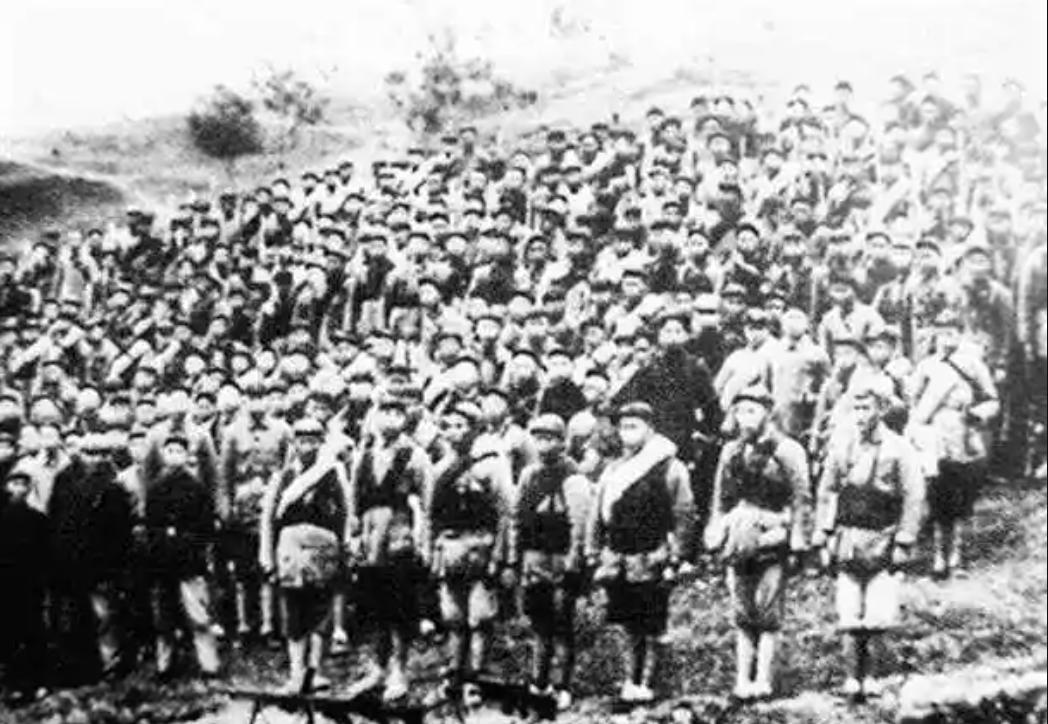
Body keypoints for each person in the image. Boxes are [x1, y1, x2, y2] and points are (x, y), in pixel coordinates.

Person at [812, 381, 924, 699]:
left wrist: (904, 539)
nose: (860, 415)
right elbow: (828, 490)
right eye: (856, 408)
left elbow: (913, 495)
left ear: (882, 410)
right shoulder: (843, 446)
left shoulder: (899, 449)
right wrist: (824, 533)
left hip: (883, 536)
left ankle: (873, 675)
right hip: (848, 537)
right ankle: (851, 676)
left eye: (867, 408)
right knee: (849, 611)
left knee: (877, 612)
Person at [704, 385, 811, 701]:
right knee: (742, 610)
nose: (744, 418)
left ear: (768, 412)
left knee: (768, 611)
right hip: (739, 534)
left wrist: (798, 539)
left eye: (751, 411)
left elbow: (801, 497)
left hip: (773, 533)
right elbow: (720, 497)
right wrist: (716, 530)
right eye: (739, 411)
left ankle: (763, 679)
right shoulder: (731, 451)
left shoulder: (787, 450)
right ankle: (742, 679)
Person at [586, 402, 694, 703]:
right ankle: (631, 679)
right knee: (628, 622)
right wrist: (593, 549)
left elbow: (684, 513)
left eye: (634, 426)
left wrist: (678, 554)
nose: (627, 433)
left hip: (652, 554)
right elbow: (598, 511)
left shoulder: (669, 467)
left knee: (653, 621)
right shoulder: (613, 469)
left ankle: (653, 681)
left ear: (650, 429)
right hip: (619, 554)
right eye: (623, 427)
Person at [426, 400, 513, 704]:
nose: (453, 432)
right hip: (450, 548)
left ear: (474, 429)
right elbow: (432, 516)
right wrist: (432, 551)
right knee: (452, 616)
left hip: (481, 546)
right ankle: (454, 672)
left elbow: (506, 514)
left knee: (480, 617)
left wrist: (502, 556)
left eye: (460, 425)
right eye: (447, 426)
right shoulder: (440, 468)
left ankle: (475, 677)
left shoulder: (491, 464)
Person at [348, 392, 432, 701]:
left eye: (397, 413)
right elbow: (354, 501)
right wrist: (354, 537)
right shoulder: (365, 456)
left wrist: (423, 541)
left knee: (400, 608)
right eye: (384, 412)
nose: (390, 419)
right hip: (371, 539)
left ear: (405, 419)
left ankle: (399, 670)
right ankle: (377, 668)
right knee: (375, 606)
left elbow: (427, 503)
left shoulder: (415, 456)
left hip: (399, 537)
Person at [259, 417, 352, 694]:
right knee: (293, 612)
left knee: (321, 611)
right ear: (294, 444)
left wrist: (346, 545)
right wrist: (266, 554)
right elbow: (268, 519)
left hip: (323, 549)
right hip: (290, 550)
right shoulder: (283, 477)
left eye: (313, 441)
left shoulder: (333, 473)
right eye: (302, 441)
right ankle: (296, 672)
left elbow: (346, 512)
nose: (307, 447)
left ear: (321, 443)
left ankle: (316, 671)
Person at [509, 414, 591, 710]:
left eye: (550, 439)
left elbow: (580, 523)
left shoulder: (573, 475)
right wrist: (514, 557)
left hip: (561, 558)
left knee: (562, 624)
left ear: (562, 442)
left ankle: (562, 684)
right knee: (539, 624)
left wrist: (575, 559)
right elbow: (517, 516)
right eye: (538, 439)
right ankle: (538, 680)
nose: (543, 445)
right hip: (535, 558)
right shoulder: (529, 475)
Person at [909, 309, 999, 578]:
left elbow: (993, 400)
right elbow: (914, 401)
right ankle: (939, 555)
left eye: (952, 332)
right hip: (935, 435)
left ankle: (956, 555)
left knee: (961, 495)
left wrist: (978, 413)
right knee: (938, 495)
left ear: (961, 334)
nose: (947, 338)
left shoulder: (972, 364)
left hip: (964, 433)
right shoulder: (926, 366)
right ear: (935, 334)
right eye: (942, 332)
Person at [47, 432, 134, 685]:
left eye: (100, 454)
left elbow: (120, 531)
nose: (94, 459)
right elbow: (56, 520)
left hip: (101, 563)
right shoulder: (64, 481)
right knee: (74, 616)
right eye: (89, 453)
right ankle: (78, 668)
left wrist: (115, 563)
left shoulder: (113, 487)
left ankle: (110, 664)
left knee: (105, 616)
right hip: (69, 560)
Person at [143, 434, 220, 679]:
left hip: (190, 561)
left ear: (187, 456)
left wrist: (186, 540)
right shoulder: (155, 488)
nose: (174, 455)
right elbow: (151, 524)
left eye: (179, 451)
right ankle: (164, 665)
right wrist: (163, 538)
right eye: (170, 450)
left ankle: (208, 664)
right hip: (162, 561)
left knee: (198, 615)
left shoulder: (196, 488)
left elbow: (206, 526)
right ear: (163, 455)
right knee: (163, 619)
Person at [0, 470, 50, 701]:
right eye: (15, 483)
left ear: (30, 489)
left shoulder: (38, 519)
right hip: (6, 585)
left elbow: (46, 553)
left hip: (31, 584)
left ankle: (38, 682)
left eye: (23, 484)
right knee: (9, 634)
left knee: (34, 632)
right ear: (7, 487)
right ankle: (15, 684)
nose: (19, 488)